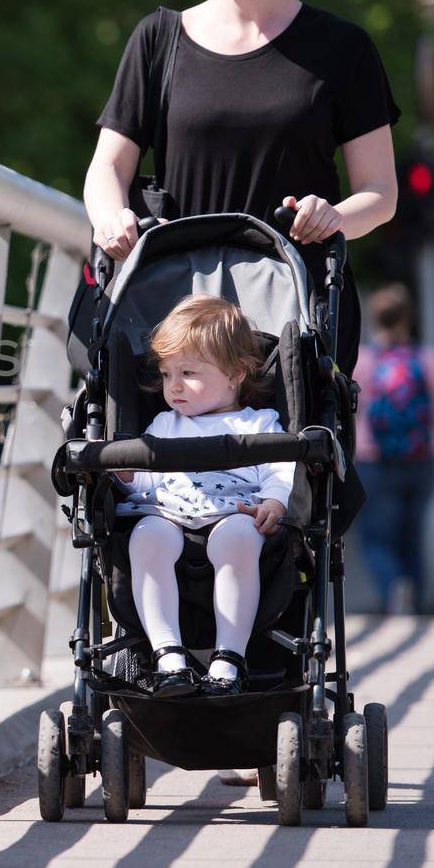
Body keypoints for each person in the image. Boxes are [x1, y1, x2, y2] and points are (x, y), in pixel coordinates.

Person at [82, 0, 399, 375]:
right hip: (173, 317)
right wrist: (111, 219)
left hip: (293, 326)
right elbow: (107, 166)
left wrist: (334, 216)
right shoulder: (158, 40)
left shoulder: (344, 50)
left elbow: (381, 193)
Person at [116, 295, 295, 700]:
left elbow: (279, 471)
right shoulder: (164, 424)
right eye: (166, 374)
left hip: (234, 512)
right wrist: (125, 473)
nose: (173, 386)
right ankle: (168, 657)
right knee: (145, 536)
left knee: (238, 537)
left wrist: (274, 503)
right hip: (168, 514)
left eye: (188, 372)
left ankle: (229, 658)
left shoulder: (259, 423)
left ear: (235, 373)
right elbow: (145, 484)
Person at [353, 285, 434, 614]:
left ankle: (392, 587)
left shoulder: (363, 361)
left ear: (374, 318)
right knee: (413, 534)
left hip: (375, 458)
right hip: (421, 457)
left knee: (377, 536)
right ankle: (415, 595)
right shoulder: (430, 360)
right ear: (409, 316)